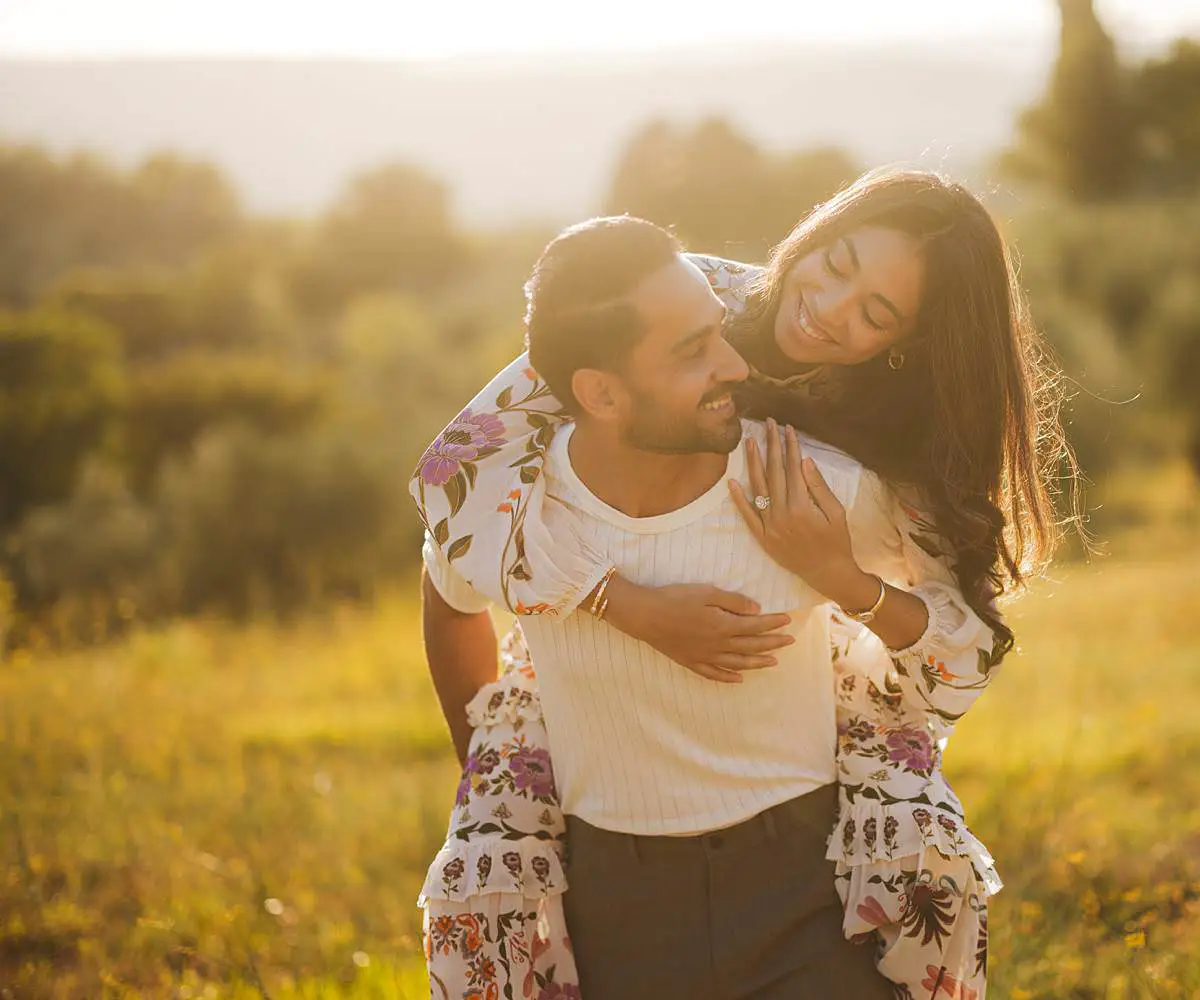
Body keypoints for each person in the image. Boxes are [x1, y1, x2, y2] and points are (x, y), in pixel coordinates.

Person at [415, 169, 1066, 999]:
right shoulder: (686, 296)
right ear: (819, 226)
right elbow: (448, 486)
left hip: (801, 866)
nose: (829, 309)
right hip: (617, 866)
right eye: (836, 264)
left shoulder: (867, 454)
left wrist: (841, 577)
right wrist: (621, 605)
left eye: (875, 313)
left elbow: (966, 649)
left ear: (906, 344)